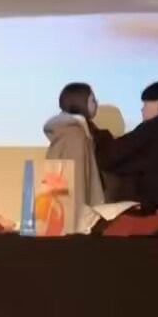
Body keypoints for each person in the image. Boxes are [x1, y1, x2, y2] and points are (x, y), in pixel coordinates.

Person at [91, 81, 158, 211]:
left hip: (154, 205)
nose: (142, 109)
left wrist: (98, 135)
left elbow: (117, 153)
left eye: (145, 104)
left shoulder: (155, 128)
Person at [43, 82, 105, 232]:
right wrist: (78, 226)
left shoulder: (70, 131)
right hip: (72, 224)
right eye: (93, 100)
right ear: (80, 102)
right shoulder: (75, 134)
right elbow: (76, 184)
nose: (97, 103)